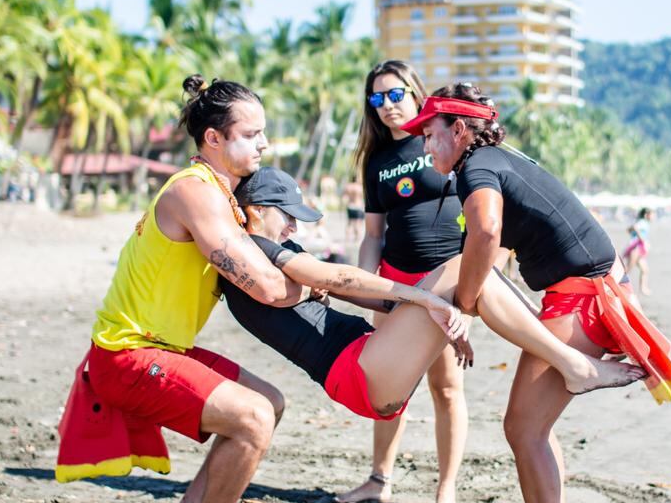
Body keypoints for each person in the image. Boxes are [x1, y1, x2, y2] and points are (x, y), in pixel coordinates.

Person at [406, 82, 671, 503]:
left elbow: (487, 233)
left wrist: (467, 307)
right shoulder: (496, 159)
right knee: (534, 427)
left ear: (458, 129)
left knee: (523, 427)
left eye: (430, 134)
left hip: (583, 296)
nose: (426, 147)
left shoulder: (478, 167)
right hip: (585, 287)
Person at [57, 75, 293, 503]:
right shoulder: (194, 193)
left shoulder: (217, 195)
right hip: (128, 354)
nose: (264, 144)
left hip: (162, 347)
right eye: (252, 134)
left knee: (268, 401)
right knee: (251, 419)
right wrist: (309, 287)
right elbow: (266, 288)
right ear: (214, 138)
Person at [220, 166, 642, 434]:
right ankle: (573, 364)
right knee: (464, 266)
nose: (294, 225)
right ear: (256, 209)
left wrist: (442, 313)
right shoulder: (256, 249)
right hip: (359, 370)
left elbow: (356, 292)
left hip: (368, 363)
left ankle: (552, 343)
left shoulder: (262, 255)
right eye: (287, 214)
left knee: (471, 276)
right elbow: (338, 276)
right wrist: (424, 299)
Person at [336, 60, 472, 503]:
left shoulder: (441, 139)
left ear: (415, 93)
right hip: (395, 282)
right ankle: (379, 479)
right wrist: (364, 287)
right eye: (377, 99)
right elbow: (373, 234)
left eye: (396, 94)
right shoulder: (376, 162)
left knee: (447, 388)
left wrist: (471, 287)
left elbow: (482, 212)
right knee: (386, 389)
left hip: (447, 282)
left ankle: (446, 490)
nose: (388, 106)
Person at [621, 207, 653, 296]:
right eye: (652, 214)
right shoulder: (643, 222)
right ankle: (616, 285)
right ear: (646, 215)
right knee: (628, 269)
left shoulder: (642, 222)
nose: (653, 217)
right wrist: (642, 239)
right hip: (636, 248)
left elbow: (629, 229)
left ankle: (643, 288)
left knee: (645, 269)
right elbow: (634, 227)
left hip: (638, 248)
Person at [343, 178, 365, 246]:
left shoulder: (348, 186)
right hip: (358, 206)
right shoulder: (360, 187)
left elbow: (344, 197)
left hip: (350, 206)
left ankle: (347, 239)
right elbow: (364, 197)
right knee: (358, 224)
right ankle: (357, 240)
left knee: (349, 223)